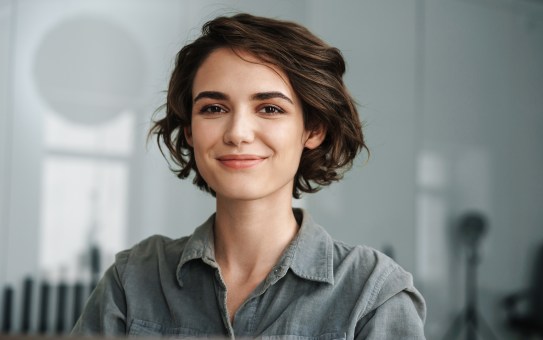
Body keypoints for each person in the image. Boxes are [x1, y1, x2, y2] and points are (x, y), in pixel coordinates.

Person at [72, 13, 426, 339]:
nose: (238, 132)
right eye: (213, 108)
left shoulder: (372, 293)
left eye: (269, 108)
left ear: (313, 128)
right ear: (191, 130)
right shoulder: (134, 280)